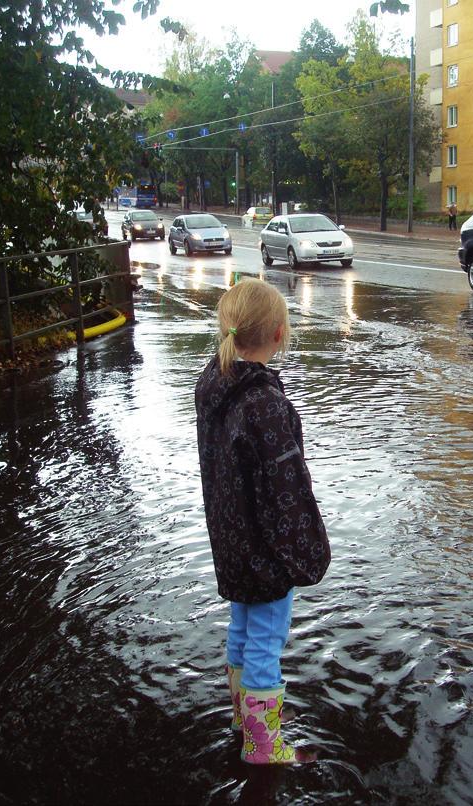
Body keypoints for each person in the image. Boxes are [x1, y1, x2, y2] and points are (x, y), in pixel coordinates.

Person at [195, 278, 331, 765]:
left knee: (242, 627)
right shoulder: (266, 403)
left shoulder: (215, 384)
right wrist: (305, 553)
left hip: (231, 538)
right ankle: (264, 745)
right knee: (266, 642)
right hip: (264, 549)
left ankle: (243, 715)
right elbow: (287, 489)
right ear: (279, 334)